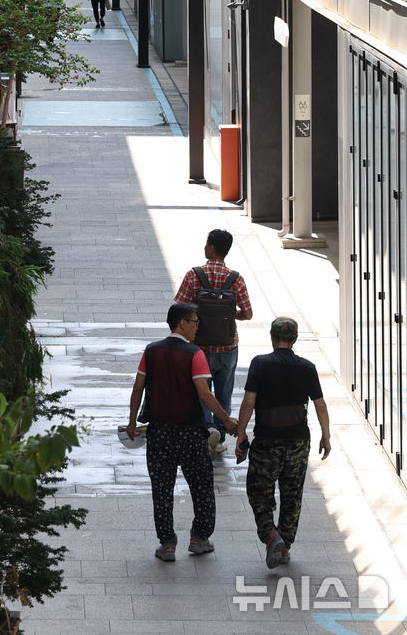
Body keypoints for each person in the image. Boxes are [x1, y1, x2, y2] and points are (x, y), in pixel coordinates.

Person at [126, 302, 238, 562]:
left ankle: (167, 544)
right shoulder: (194, 354)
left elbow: (138, 387)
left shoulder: (151, 351)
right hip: (190, 433)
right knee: (201, 486)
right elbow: (204, 394)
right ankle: (199, 537)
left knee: (162, 488)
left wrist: (132, 422)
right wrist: (226, 420)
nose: (198, 327)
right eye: (195, 321)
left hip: (159, 433)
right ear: (181, 323)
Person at [235, 316, 330, 568]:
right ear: (295, 339)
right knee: (292, 495)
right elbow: (320, 404)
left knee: (259, 491)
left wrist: (241, 432)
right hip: (298, 442)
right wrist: (326, 436)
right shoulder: (307, 367)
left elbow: (248, 402)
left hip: (267, 441)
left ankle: (271, 534)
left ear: (272, 338)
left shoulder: (260, 364)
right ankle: (284, 547)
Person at [174, 228, 252, 456]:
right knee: (224, 391)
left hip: (199, 347)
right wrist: (229, 315)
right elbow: (247, 313)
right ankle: (220, 435)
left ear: (211, 247)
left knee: (202, 390)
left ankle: (208, 429)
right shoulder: (235, 279)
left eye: (206, 243)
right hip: (228, 345)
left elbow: (179, 307)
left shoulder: (194, 275)